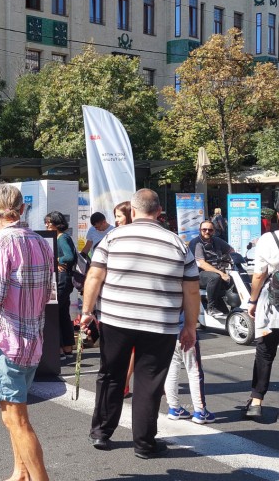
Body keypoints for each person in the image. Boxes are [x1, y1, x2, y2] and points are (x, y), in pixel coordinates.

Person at [80, 189, 199, 459]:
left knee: (110, 374)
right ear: (159, 212)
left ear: (133, 212)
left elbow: (94, 276)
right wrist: (190, 327)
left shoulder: (112, 237)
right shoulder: (178, 244)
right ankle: (144, 444)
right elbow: (191, 291)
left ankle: (101, 432)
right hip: (161, 325)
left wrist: (86, 312)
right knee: (149, 383)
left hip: (116, 320)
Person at [0, 182, 54, 481]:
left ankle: (37, 478)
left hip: (6, 339)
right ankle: (21, 472)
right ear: (23, 209)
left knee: (17, 419)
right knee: (12, 416)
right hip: (32, 338)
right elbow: (47, 292)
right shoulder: (41, 242)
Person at [243, 195, 279, 429]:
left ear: (278, 217)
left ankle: (256, 402)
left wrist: (252, 301)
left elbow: (258, 275)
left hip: (270, 302)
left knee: (264, 353)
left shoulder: (268, 239)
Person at [163, 312, 215, 424]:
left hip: (167, 331)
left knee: (171, 369)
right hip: (185, 329)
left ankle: (174, 407)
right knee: (194, 371)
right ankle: (200, 411)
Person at [45, 211, 76, 360]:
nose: (46, 225)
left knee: (54, 313)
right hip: (66, 279)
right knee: (63, 314)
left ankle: (59, 350)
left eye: (49, 222)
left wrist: (56, 259)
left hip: (62, 279)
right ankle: (68, 348)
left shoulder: (62, 237)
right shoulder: (62, 237)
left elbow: (70, 256)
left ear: (56, 223)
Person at [188, 220, 234, 317]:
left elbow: (231, 250)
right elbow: (202, 264)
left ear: (213, 231)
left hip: (216, 272)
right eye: (204, 229)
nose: (207, 232)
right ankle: (211, 308)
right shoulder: (196, 243)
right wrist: (221, 273)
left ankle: (234, 309)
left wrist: (232, 258)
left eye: (210, 230)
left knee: (235, 279)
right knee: (215, 277)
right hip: (198, 274)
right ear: (200, 230)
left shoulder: (217, 240)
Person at [113, 201, 136, 399]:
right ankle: (125, 384)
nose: (116, 220)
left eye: (119, 216)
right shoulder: (116, 235)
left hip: (131, 299)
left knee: (133, 349)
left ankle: (125, 384)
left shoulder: (122, 236)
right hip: (123, 300)